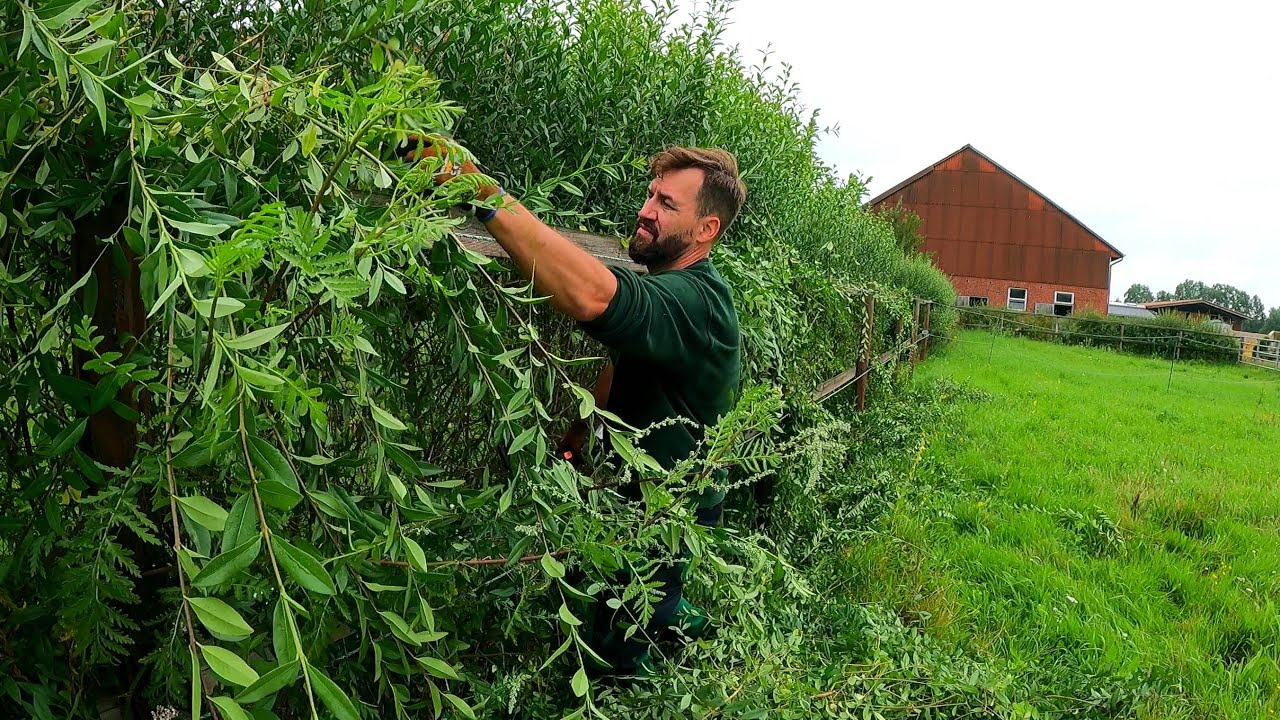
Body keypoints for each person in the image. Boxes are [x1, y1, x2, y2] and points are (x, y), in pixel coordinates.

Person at [406, 139, 745, 676]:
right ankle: (688, 624)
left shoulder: (697, 301)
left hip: (668, 511)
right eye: (650, 195)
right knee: (633, 601)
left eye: (667, 205)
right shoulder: (673, 288)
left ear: (706, 230)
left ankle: (636, 676)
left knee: (619, 645)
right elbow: (630, 360)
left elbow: (593, 296)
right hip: (637, 494)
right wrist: (581, 431)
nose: (646, 210)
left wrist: (480, 189)